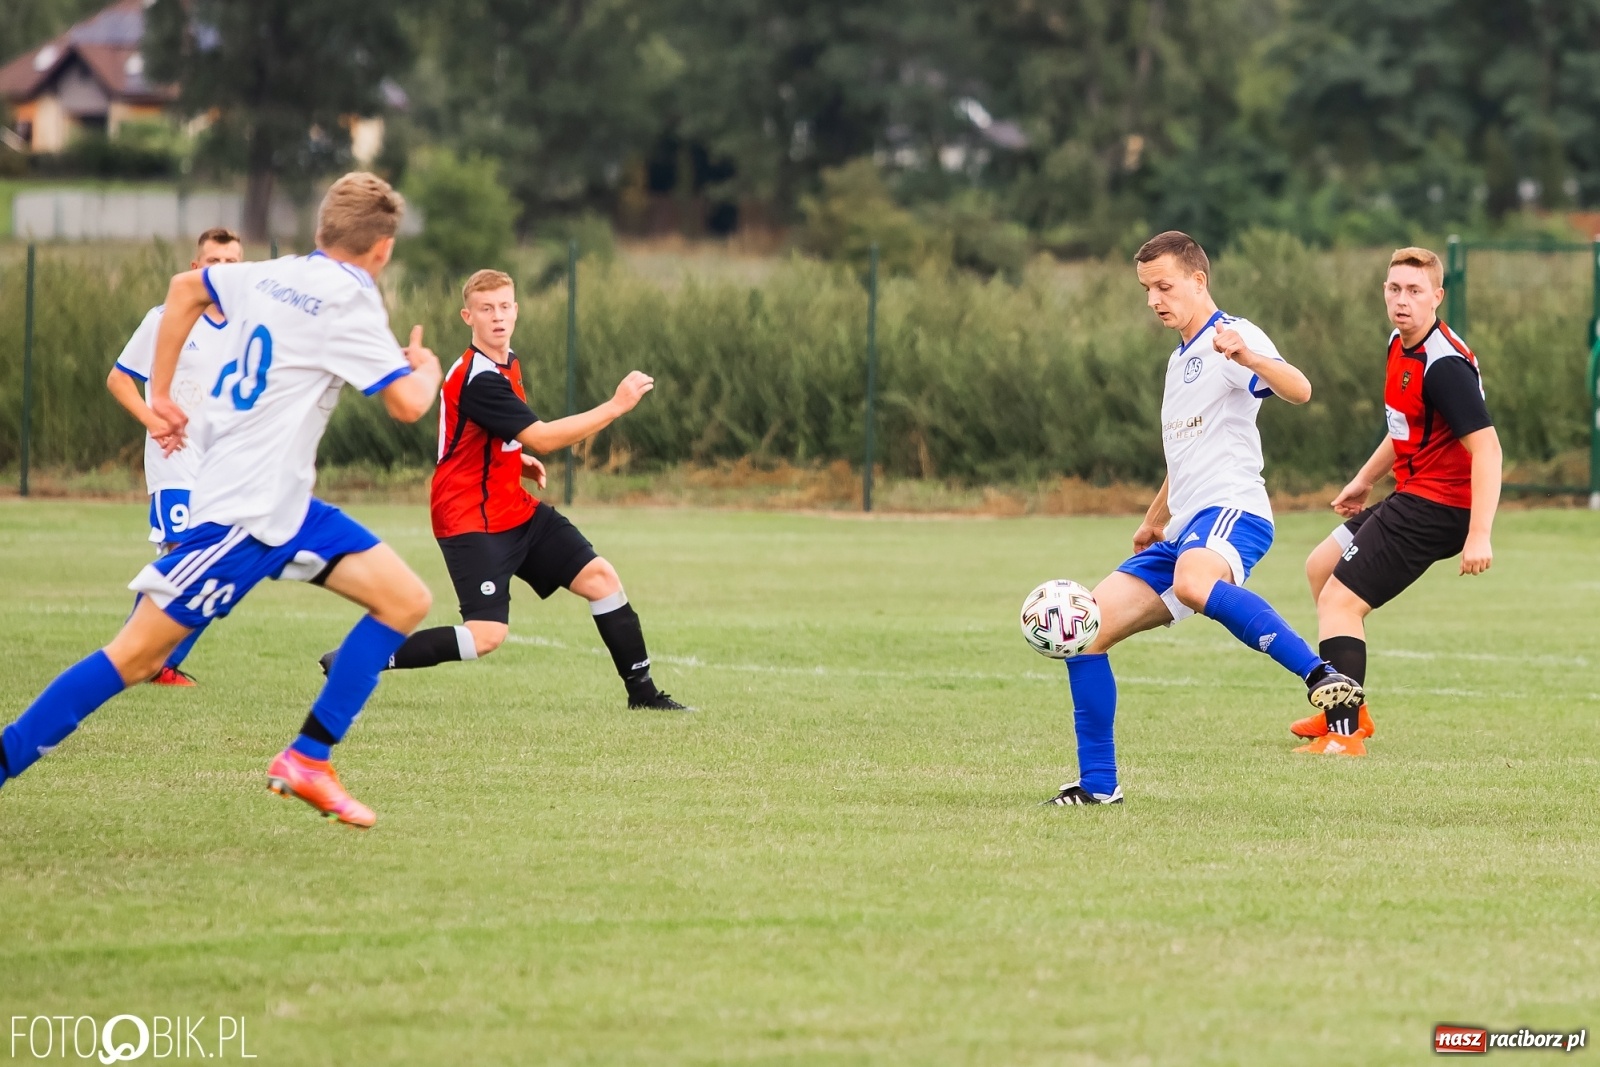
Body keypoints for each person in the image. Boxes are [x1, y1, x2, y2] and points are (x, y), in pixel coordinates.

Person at [0, 173, 444, 828]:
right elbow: (407, 404)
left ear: (321, 229)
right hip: (243, 514)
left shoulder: (270, 273)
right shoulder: (350, 299)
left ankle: (309, 757)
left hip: (285, 507)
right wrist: (427, 369)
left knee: (404, 598)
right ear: (383, 249)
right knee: (137, 656)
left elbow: (183, 289)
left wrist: (160, 392)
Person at [1044, 230, 1363, 806]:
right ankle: (1098, 786)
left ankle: (1320, 675)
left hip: (1233, 509)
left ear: (1198, 280)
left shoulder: (1230, 336)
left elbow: (1300, 389)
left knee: (1195, 584)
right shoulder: (1179, 360)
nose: (1153, 300)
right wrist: (1153, 520)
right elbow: (1184, 458)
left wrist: (1249, 356)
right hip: (1183, 529)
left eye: (1164, 287)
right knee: (1085, 633)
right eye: (1146, 289)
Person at [323, 269, 688, 711]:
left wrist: (513, 459)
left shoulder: (506, 361)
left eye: (503, 307)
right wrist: (615, 406)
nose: (497, 316)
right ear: (468, 317)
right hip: (469, 517)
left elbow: (479, 434)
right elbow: (544, 437)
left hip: (511, 506)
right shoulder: (479, 377)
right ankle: (360, 658)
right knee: (486, 636)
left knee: (601, 579)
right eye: (485, 309)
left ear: (516, 310)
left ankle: (644, 695)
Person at [1291, 247, 1501, 756]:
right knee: (1321, 567)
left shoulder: (1443, 365)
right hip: (1413, 492)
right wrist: (1364, 479)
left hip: (1441, 506)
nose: (1402, 300)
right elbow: (1404, 427)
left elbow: (1489, 450)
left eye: (1414, 290)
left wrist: (1479, 534)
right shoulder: (1399, 343)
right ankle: (1349, 707)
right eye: (1394, 289)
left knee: (1341, 600)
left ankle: (1344, 735)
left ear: (1437, 296)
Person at [105, 227, 244, 686]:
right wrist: (153, 421)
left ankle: (149, 658)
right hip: (176, 459)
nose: (222, 271)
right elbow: (119, 379)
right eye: (214, 262)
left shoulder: (252, 325)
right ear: (196, 268)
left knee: (216, 567)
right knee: (181, 555)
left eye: (231, 263)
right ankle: (144, 660)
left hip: (226, 466)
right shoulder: (166, 318)